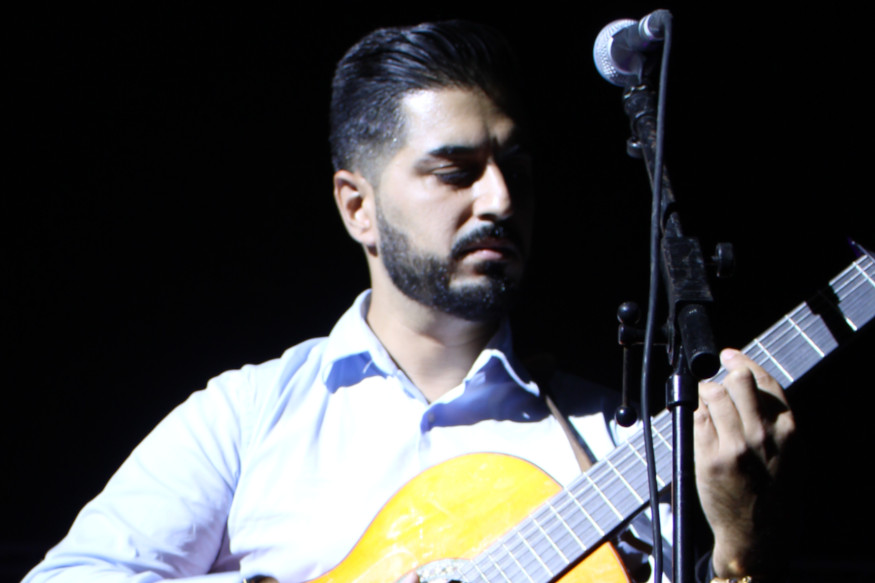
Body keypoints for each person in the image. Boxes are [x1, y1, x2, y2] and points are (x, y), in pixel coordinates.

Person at [22, 20, 794, 583]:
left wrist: (736, 552)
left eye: (513, 168)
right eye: (455, 171)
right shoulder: (248, 416)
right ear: (357, 207)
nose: (497, 198)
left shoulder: (620, 441)